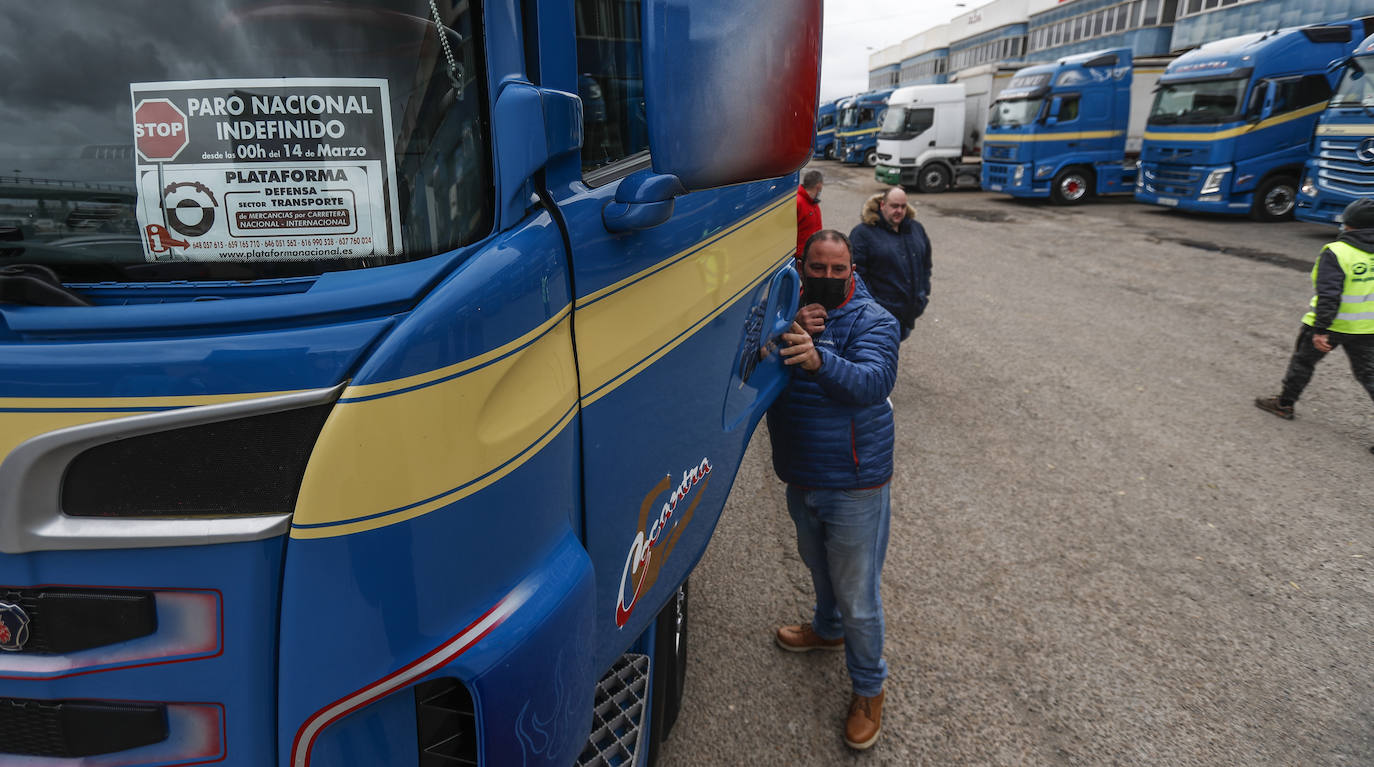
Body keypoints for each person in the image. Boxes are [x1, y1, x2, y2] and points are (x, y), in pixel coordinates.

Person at [767, 229, 900, 750]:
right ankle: (826, 628)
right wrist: (785, 328)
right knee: (817, 565)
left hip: (854, 482)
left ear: (851, 271)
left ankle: (869, 688)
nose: (825, 278)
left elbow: (873, 383)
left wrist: (818, 357)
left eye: (836, 270)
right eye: (815, 268)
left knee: (859, 596)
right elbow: (751, 361)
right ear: (803, 265)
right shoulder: (788, 307)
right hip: (801, 473)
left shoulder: (876, 320)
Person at [1255, 197, 1374, 448]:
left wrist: (1321, 330)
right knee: (1369, 376)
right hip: (1367, 328)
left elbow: (1330, 294)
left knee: (1303, 363)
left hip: (1330, 326)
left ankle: (1284, 404)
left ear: (1349, 223)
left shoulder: (1338, 252)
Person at [849, 186, 932, 341]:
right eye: (894, 206)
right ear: (882, 205)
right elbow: (855, 277)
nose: (899, 211)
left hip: (906, 317)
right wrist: (876, 308)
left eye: (903, 206)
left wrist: (922, 295)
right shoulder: (863, 234)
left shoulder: (916, 229)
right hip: (876, 321)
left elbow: (926, 265)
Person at [796, 170, 823, 260]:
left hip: (811, 254)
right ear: (818, 186)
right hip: (800, 257)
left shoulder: (813, 203)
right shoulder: (798, 203)